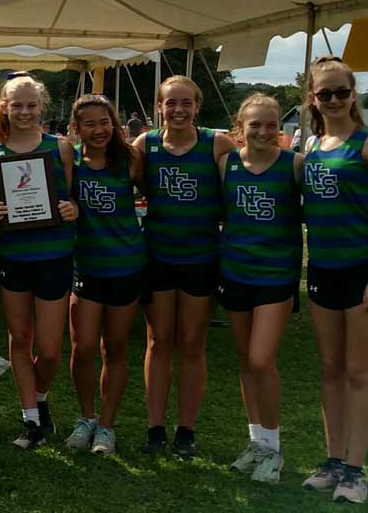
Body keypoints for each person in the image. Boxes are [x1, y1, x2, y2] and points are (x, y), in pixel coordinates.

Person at [299, 57, 368, 504]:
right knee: (331, 369)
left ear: (353, 94)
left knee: (360, 370)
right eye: (326, 94)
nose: (335, 100)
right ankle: (334, 459)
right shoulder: (312, 145)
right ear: (312, 99)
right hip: (323, 271)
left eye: (342, 92)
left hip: (366, 273)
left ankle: (356, 469)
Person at [132, 75, 234, 457]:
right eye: (170, 102)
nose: (177, 109)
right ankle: (155, 427)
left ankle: (186, 430)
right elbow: (126, 182)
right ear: (158, 106)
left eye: (185, 103)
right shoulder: (146, 144)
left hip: (201, 259)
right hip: (157, 257)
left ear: (197, 106)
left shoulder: (217, 144)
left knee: (192, 344)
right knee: (158, 342)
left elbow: (237, 192)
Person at [0, 72, 78, 449]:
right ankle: (32, 420)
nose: (24, 111)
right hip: (15, 258)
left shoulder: (62, 147)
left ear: (41, 107)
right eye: (16, 104)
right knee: (20, 339)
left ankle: (39, 400)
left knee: (50, 350)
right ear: (5, 107)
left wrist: (72, 209)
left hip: (54, 256)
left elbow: (74, 199)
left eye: (31, 104)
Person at [216, 93, 303, 483]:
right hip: (234, 272)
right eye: (256, 124)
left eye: (272, 125)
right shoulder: (226, 165)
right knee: (245, 360)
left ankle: (274, 450)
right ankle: (256, 442)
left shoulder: (295, 165)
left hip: (275, 277)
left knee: (260, 360)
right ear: (240, 127)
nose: (265, 132)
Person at [65, 95, 145, 454]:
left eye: (104, 122)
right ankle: (86, 417)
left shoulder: (130, 159)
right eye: (89, 124)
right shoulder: (71, 164)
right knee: (82, 348)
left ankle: (107, 427)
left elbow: (156, 196)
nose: (98, 130)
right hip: (86, 267)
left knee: (113, 348)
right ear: (77, 128)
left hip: (125, 266)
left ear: (114, 124)